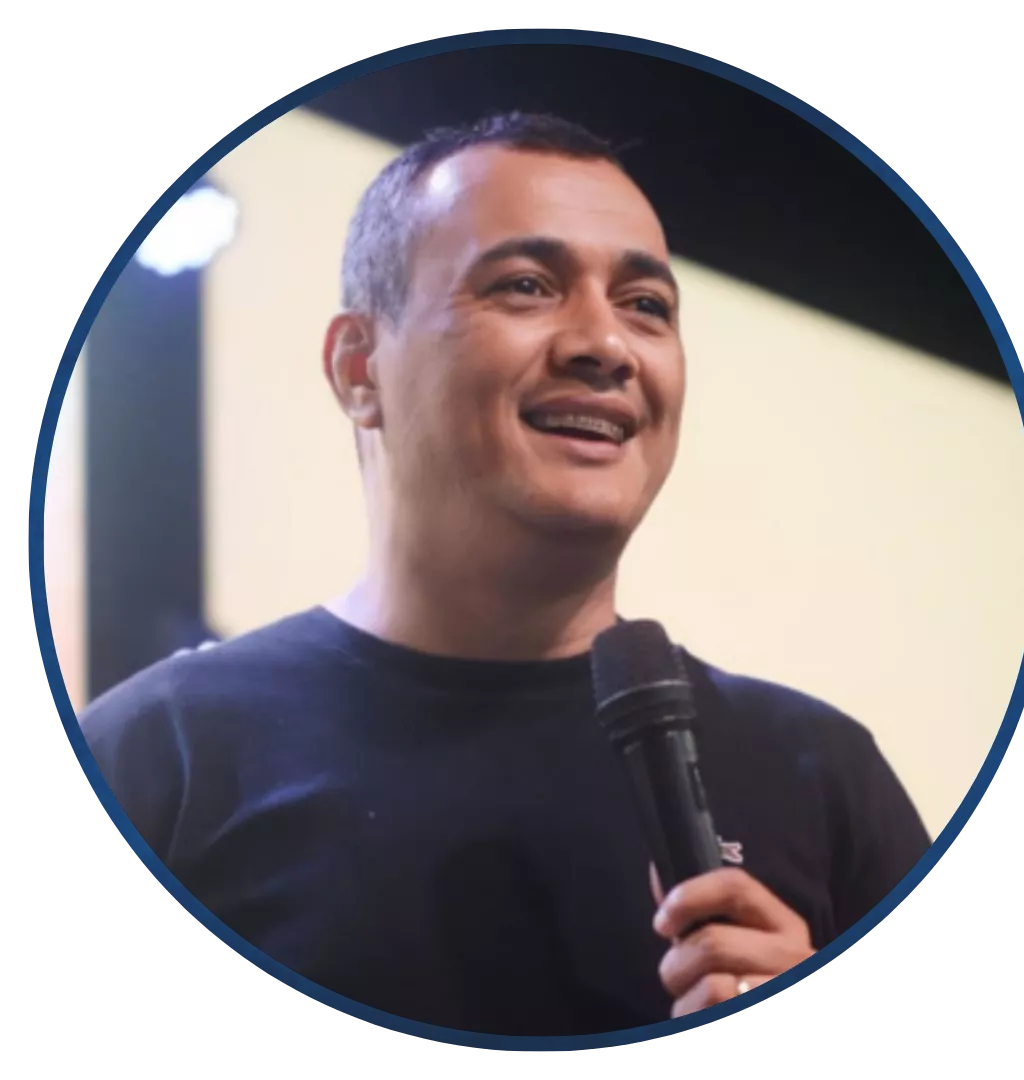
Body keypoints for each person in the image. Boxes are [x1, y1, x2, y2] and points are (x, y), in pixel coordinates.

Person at [78, 112, 930, 1038]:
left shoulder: (820, 773)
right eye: (526, 286)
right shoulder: (160, 758)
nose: (606, 344)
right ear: (359, 368)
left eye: (646, 305)